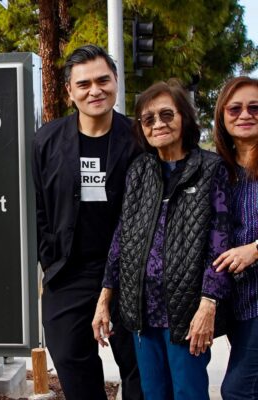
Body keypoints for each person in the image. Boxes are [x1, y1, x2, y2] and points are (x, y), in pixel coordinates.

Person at [92, 79, 232, 400]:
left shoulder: (211, 169)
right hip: (141, 310)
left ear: (184, 117)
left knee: (188, 392)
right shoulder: (139, 171)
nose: (158, 124)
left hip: (187, 311)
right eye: (148, 119)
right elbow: (121, 238)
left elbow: (220, 242)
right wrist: (104, 300)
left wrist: (208, 305)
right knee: (152, 393)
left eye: (167, 115)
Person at [32, 44, 143, 400]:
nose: (94, 90)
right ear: (69, 91)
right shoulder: (46, 141)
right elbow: (37, 207)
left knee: (138, 363)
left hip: (130, 271)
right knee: (67, 354)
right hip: (69, 270)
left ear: (115, 82)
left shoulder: (139, 139)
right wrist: (49, 259)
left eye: (102, 80)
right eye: (83, 84)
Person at [212, 76, 258, 400]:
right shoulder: (220, 172)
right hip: (239, 306)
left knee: (238, 391)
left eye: (255, 107)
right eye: (236, 108)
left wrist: (255, 249)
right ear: (222, 116)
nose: (245, 114)